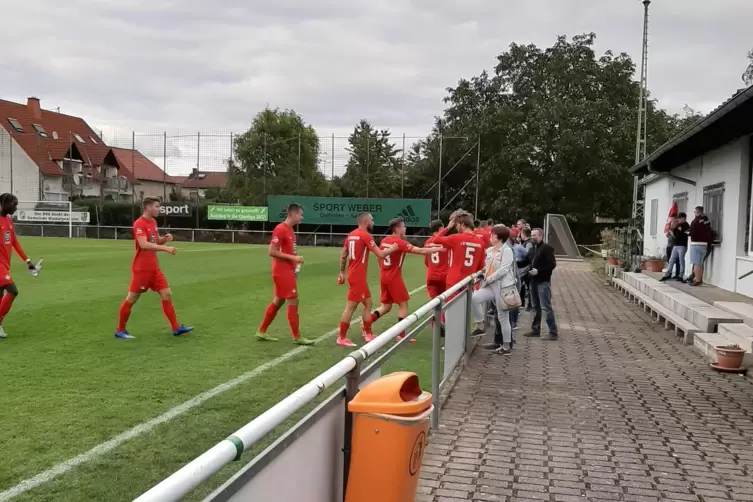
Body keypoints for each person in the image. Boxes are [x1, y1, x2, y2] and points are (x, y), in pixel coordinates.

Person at [115, 197, 192, 339]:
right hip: (142, 269)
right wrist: (165, 248)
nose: (159, 209)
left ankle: (176, 328)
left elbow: (154, 241)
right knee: (132, 298)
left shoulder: (153, 222)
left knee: (167, 294)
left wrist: (164, 239)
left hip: (154, 268)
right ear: (148, 207)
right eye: (157, 206)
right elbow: (144, 245)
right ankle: (120, 330)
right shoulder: (139, 224)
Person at [370, 218, 443, 342]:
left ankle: (366, 323)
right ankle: (401, 335)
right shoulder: (400, 242)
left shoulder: (385, 240)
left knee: (386, 306)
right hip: (394, 276)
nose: (405, 229)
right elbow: (421, 251)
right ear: (397, 228)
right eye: (403, 227)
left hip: (384, 275)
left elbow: (380, 256)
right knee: (403, 304)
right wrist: (438, 249)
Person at [336, 213, 398, 347]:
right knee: (351, 307)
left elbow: (344, 254)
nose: (373, 223)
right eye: (372, 220)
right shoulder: (365, 235)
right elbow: (381, 254)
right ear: (365, 222)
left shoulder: (351, 234)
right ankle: (341, 337)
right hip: (357, 277)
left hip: (354, 274)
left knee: (368, 303)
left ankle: (368, 333)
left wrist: (341, 272)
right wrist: (392, 249)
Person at [255, 204, 313, 345]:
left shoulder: (290, 230)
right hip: (281, 271)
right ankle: (297, 336)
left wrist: (295, 265)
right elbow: (271, 251)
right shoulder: (280, 229)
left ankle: (261, 331)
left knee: (279, 301)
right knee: (293, 300)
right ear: (293, 214)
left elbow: (288, 251)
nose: (302, 218)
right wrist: (294, 259)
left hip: (286, 270)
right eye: (301, 214)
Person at [471, 225, 515, 355]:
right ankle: (480, 325)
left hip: (502, 286)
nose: (491, 237)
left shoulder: (507, 250)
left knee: (503, 316)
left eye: (493, 235)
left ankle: (506, 346)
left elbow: (504, 269)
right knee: (475, 298)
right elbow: (487, 267)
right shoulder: (490, 250)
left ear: (500, 237)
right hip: (491, 285)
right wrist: (482, 274)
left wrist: (489, 278)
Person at [0, 194, 39, 339]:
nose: (15, 208)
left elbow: (14, 243)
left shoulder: (8, 220)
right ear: (4, 203)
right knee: (13, 290)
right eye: (13, 204)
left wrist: (28, 261)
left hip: (5, 264)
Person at [430, 210, 485, 291]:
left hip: (453, 281)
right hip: (469, 281)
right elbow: (480, 266)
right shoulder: (480, 242)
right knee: (466, 303)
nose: (456, 227)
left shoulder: (456, 238)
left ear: (462, 225)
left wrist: (447, 227)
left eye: (457, 225)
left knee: (453, 303)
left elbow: (435, 240)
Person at [524, 228, 558, 339]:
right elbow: (525, 261)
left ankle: (553, 332)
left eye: (535, 235)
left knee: (546, 307)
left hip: (543, 281)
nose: (533, 237)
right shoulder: (532, 249)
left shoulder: (547, 248)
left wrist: (539, 271)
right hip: (532, 281)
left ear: (541, 236)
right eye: (532, 235)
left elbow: (552, 264)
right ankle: (535, 329)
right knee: (535, 307)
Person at [686, 206, 713, 286]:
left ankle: (697, 280)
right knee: (700, 263)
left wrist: (688, 233)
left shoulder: (695, 221)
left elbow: (693, 232)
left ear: (697, 212)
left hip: (696, 244)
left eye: (695, 212)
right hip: (705, 244)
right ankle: (698, 278)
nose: (694, 214)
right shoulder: (706, 220)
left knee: (696, 263)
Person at [660, 212, 689, 282]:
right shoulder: (678, 225)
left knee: (681, 261)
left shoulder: (686, 225)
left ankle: (681, 275)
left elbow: (684, 235)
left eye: (679, 218)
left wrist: (674, 231)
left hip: (682, 245)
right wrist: (670, 231)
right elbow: (675, 235)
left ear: (683, 218)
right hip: (676, 245)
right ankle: (667, 274)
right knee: (671, 260)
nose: (678, 219)